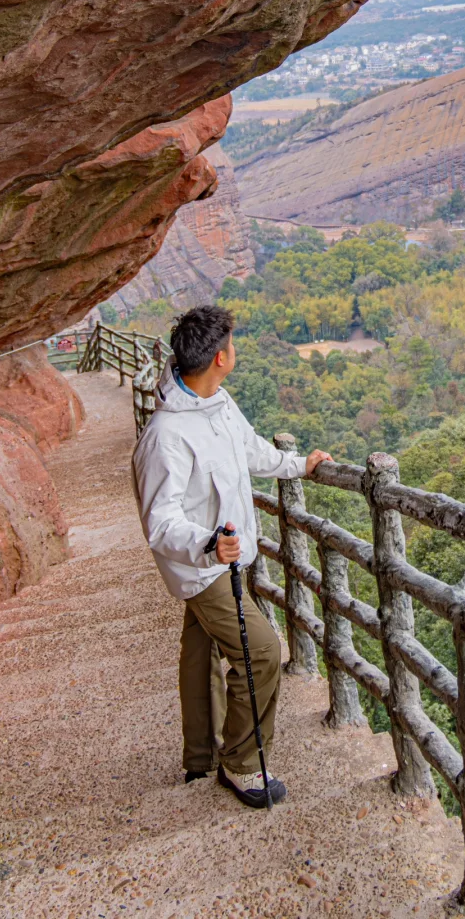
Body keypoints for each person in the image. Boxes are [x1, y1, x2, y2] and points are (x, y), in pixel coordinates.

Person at [132, 305, 333, 808]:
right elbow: (161, 521)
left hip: (224, 560)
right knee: (261, 652)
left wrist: (298, 466)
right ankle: (242, 764)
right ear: (221, 356)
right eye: (234, 345)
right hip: (203, 569)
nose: (235, 352)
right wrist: (206, 544)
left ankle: (200, 757)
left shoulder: (216, 402)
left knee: (200, 653)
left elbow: (250, 450)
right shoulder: (166, 436)